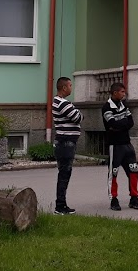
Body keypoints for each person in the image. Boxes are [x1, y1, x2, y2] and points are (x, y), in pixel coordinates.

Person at [102, 82, 138, 211]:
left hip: (127, 144)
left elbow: (131, 122)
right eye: (122, 92)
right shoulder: (107, 107)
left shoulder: (123, 105)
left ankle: (134, 198)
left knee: (133, 171)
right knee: (113, 173)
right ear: (115, 93)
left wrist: (120, 125)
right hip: (115, 145)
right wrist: (121, 124)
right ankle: (114, 200)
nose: (124, 94)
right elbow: (112, 124)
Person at [52, 76, 82, 215]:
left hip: (64, 142)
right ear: (64, 88)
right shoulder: (63, 103)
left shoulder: (59, 102)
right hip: (66, 143)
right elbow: (78, 117)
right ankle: (60, 206)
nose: (71, 88)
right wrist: (78, 114)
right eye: (70, 85)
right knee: (64, 174)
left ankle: (62, 204)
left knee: (64, 174)